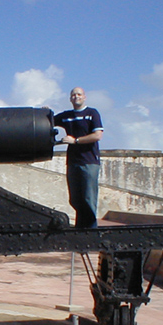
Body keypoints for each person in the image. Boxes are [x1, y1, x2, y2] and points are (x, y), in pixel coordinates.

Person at [53, 87, 103, 228]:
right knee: (75, 199)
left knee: (88, 198)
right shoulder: (67, 116)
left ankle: (91, 230)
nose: (76, 97)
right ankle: (81, 228)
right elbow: (50, 120)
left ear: (84, 97)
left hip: (89, 161)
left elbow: (97, 135)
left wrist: (76, 141)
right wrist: (44, 113)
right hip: (73, 162)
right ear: (70, 98)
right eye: (73, 95)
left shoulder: (92, 113)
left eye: (79, 94)